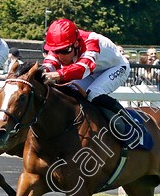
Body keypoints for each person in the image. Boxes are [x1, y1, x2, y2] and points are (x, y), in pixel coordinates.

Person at [41, 18, 143, 146]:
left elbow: (83, 69)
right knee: (68, 92)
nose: (61, 56)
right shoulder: (60, 43)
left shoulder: (91, 41)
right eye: (56, 51)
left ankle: (130, 123)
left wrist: (54, 75)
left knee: (93, 93)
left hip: (115, 68)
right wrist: (40, 73)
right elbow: (49, 65)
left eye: (65, 50)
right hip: (91, 71)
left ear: (76, 43)